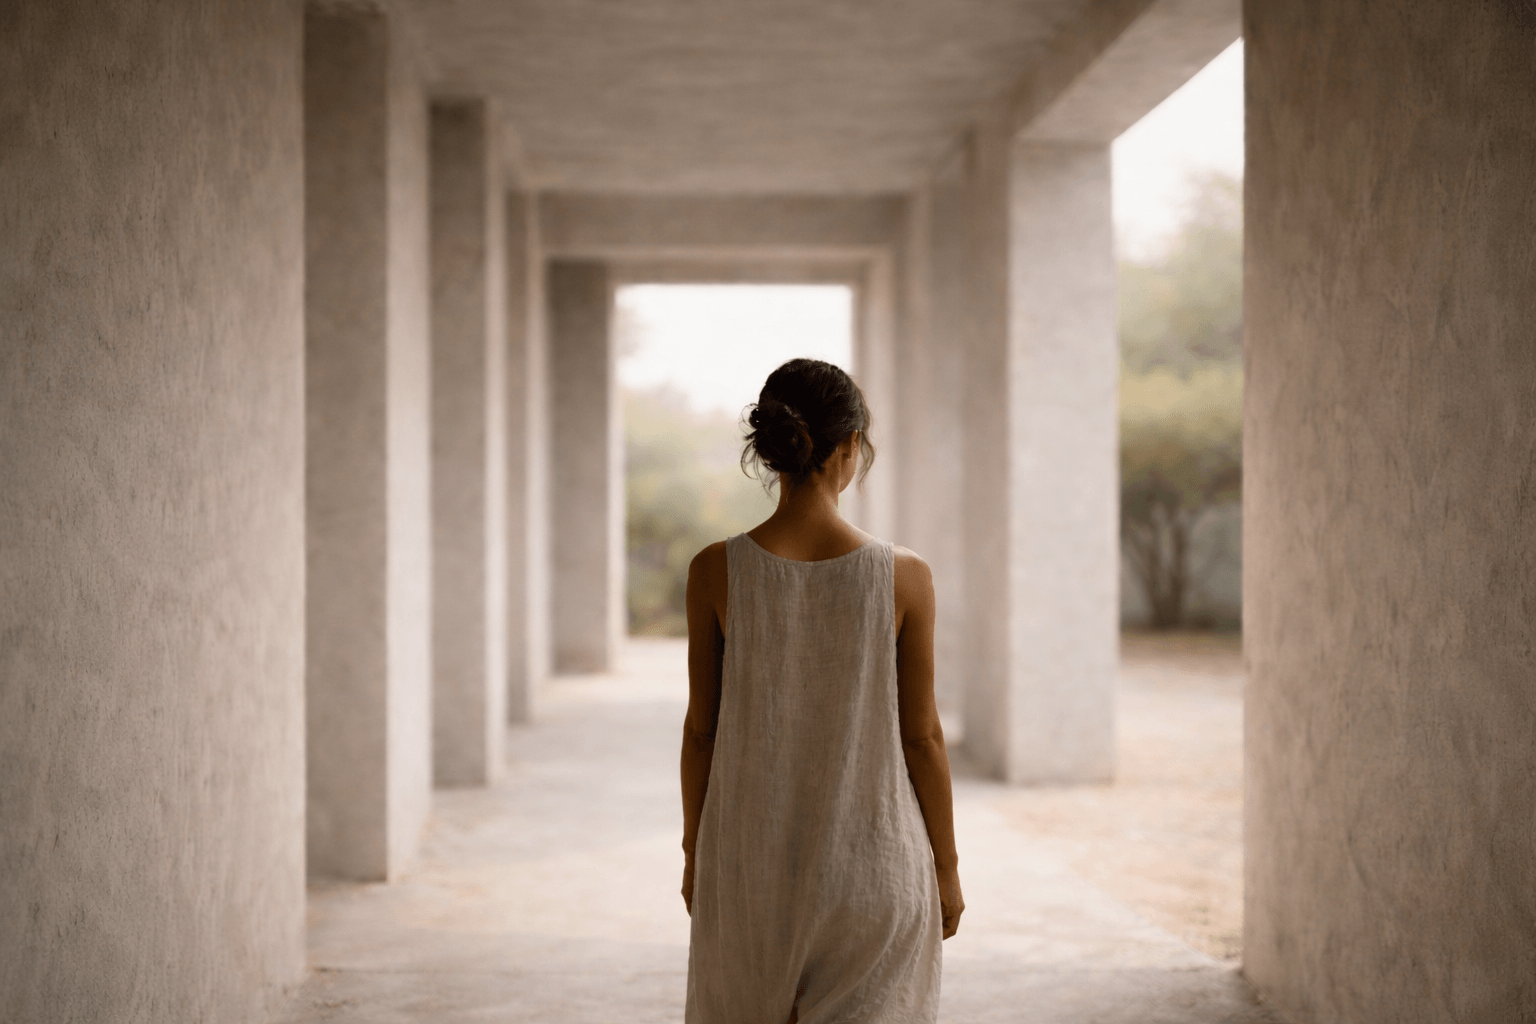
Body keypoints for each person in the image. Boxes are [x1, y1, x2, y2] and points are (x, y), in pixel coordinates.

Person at [679, 358, 964, 1024]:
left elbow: (702, 732)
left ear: (775, 450)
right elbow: (920, 736)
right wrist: (945, 868)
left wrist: (698, 855)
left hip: (748, 871)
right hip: (875, 869)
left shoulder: (715, 571)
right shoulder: (905, 576)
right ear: (847, 449)